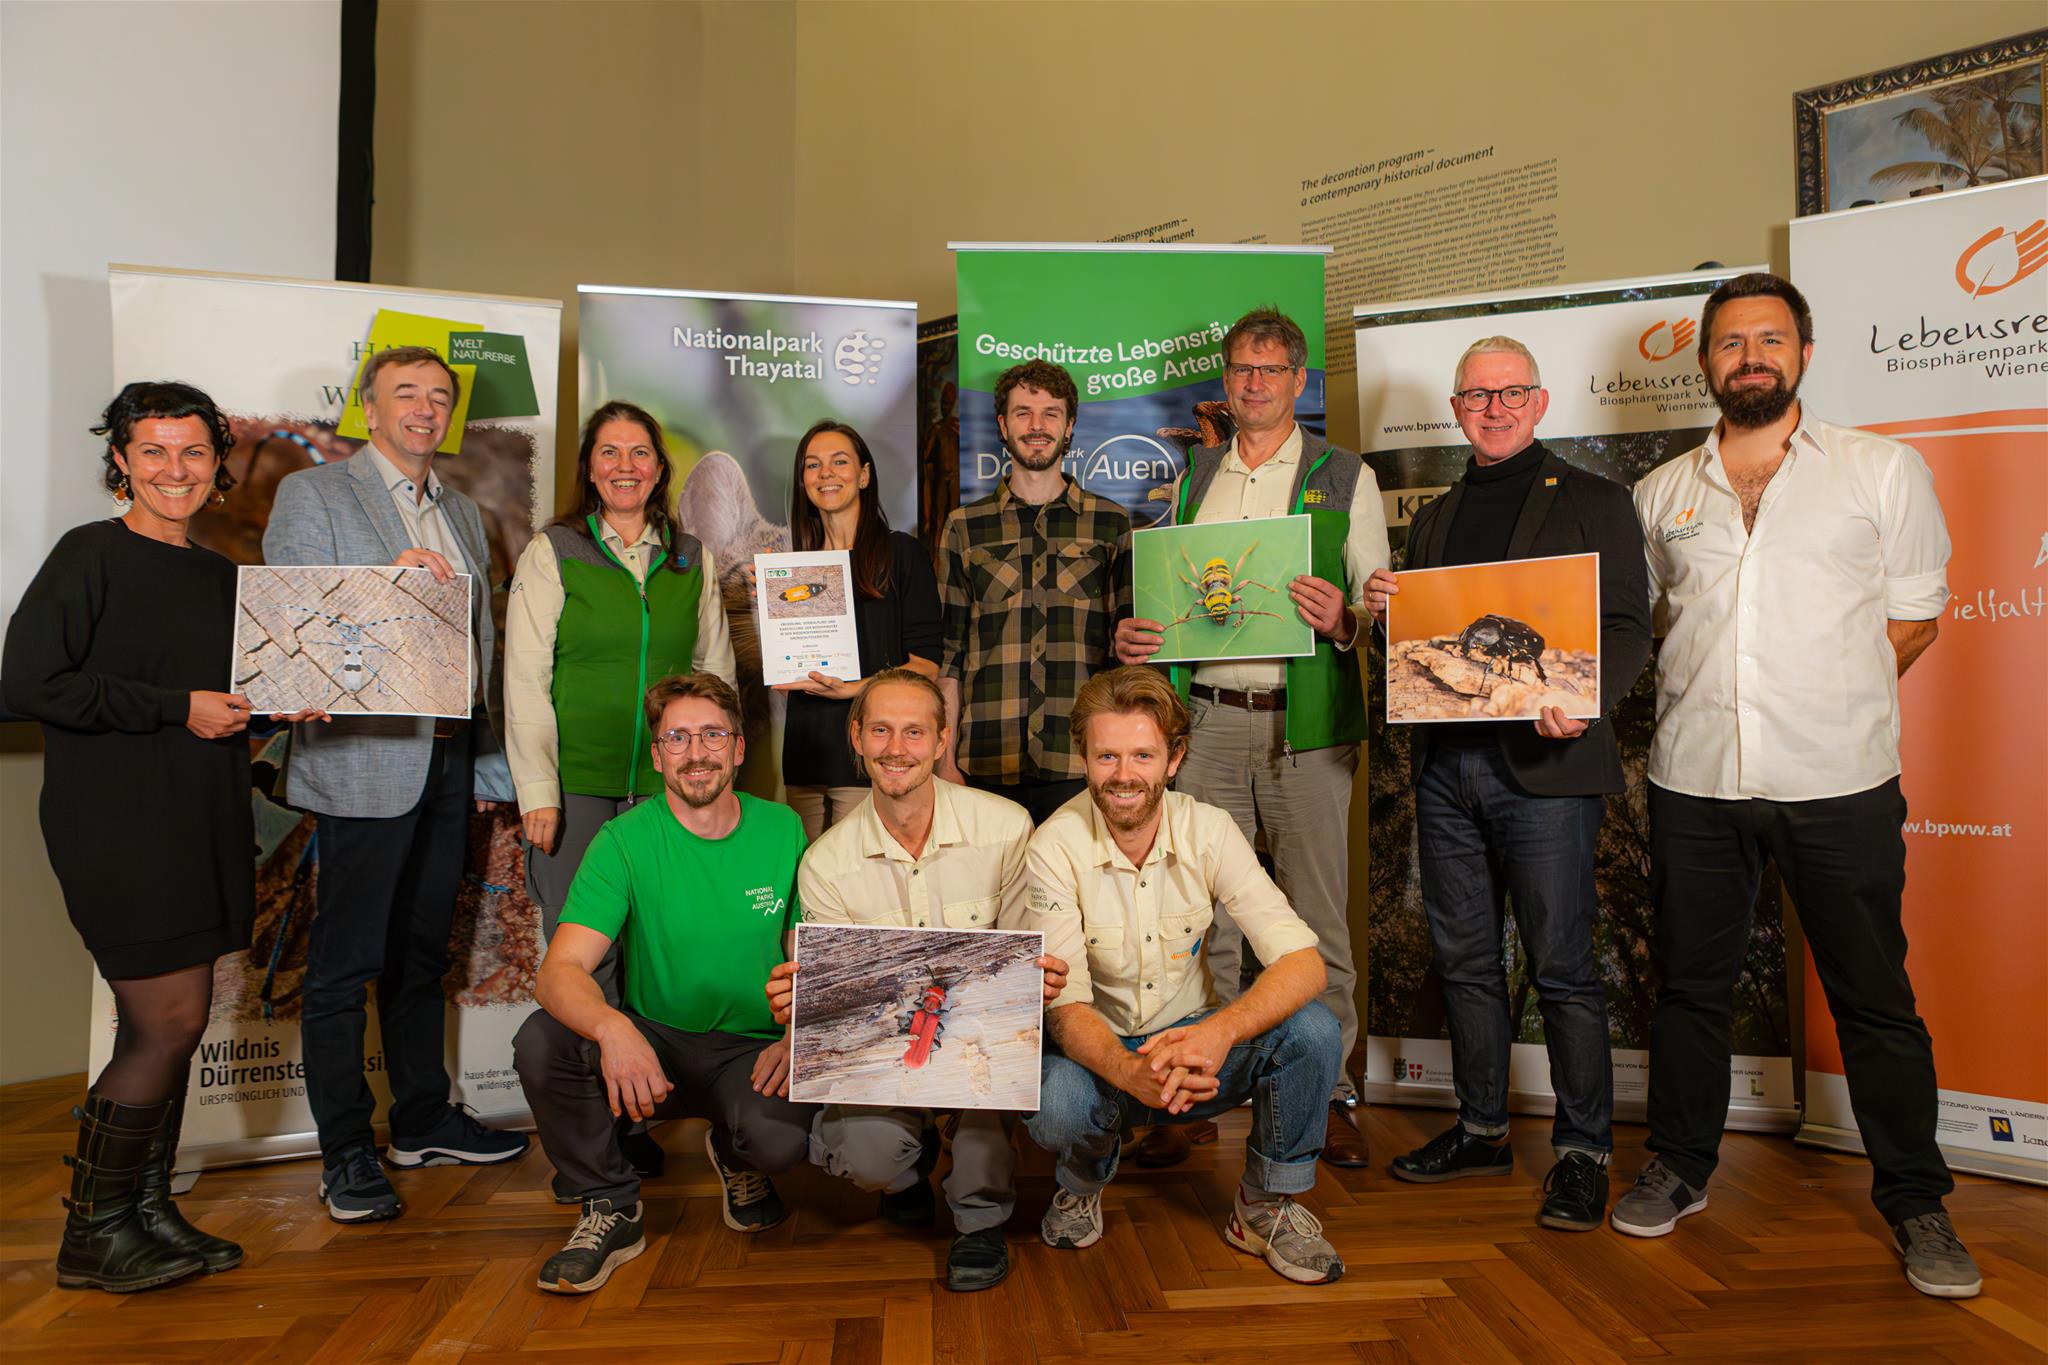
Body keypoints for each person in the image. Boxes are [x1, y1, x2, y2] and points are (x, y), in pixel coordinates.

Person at [1622, 273, 1977, 1298]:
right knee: (1688, 989)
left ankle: (1915, 1201)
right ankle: (1680, 1166)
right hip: (1694, 782)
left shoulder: (1879, 469)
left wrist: (1816, 695)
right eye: (1730, 342)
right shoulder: (1662, 494)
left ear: (1802, 353)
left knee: (1873, 998)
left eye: (1768, 339)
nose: (1749, 357)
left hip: (1837, 778)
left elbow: (1912, 620)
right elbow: (1649, 627)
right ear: (1704, 363)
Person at [3, 382, 321, 1291]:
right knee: (168, 1020)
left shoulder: (222, 576)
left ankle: (145, 1212)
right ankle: (92, 1231)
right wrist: (176, 707)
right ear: (121, 461)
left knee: (175, 1030)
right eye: (153, 452)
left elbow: (221, 709)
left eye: (191, 452)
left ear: (217, 461)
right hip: (116, 820)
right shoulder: (87, 556)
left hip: (202, 818)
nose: (173, 470)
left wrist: (276, 708)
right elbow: (29, 682)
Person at [1362, 337, 1651, 1230]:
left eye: (1510, 391)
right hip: (1448, 770)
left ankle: (1582, 1150)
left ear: (1539, 399)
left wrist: (1584, 700)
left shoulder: (1596, 500)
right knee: (1467, 960)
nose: (1493, 407)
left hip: (1548, 767)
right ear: (1456, 409)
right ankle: (1483, 1128)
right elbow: (1425, 655)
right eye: (1476, 395)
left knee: (1563, 966)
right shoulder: (1436, 516)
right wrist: (1383, 614)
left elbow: (1631, 626)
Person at [1114, 307, 1390, 1169]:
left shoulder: (1347, 475)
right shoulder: (1196, 476)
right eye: (1240, 369)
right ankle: (1193, 1092)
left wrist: (1346, 619)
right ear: (1226, 383)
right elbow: (1180, 598)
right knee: (1203, 917)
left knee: (1314, 917)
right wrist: (1143, 636)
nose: (1254, 384)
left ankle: (1330, 1088)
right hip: (1211, 720)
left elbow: (1381, 615)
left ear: (1299, 383)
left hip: (1305, 728)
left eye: (1270, 370)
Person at [264, 345, 528, 1224]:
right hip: (360, 762)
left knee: (420, 956)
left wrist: (486, 761)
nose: (423, 407)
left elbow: (478, 650)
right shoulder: (315, 494)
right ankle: (347, 1151)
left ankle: (420, 1117)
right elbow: (299, 620)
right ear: (368, 411)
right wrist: (389, 585)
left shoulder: (460, 507)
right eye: (404, 393)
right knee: (345, 966)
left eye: (438, 396)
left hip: (447, 762)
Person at [1023, 666, 1347, 1285]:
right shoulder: (1052, 845)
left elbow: (1304, 963)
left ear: (1174, 759)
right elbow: (1065, 1010)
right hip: (1101, 1058)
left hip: (1197, 1052)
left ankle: (1263, 1208)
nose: (1123, 775)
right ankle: (1083, 1180)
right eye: (1107, 756)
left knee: (1313, 1028)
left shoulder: (1210, 830)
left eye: (1142, 754)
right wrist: (1128, 1071)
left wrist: (1218, 1034)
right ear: (1084, 759)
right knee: (1058, 1103)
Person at [762, 668, 1064, 1292]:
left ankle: (978, 1219)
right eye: (880, 730)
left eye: (914, 732)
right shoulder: (825, 861)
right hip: (882, 1043)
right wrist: (806, 1001)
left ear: (941, 739)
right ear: (856, 737)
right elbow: (844, 1002)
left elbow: (1018, 969)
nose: (896, 748)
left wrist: (1039, 982)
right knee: (865, 1156)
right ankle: (908, 1164)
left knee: (987, 1103)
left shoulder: (1006, 827)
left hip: (980, 1032)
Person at [514, 672, 812, 1295]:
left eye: (712, 735)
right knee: (543, 1041)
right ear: (656, 755)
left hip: (751, 1050)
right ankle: (611, 1205)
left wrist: (798, 1035)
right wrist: (612, 1026)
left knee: (780, 1143)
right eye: (677, 737)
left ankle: (737, 1156)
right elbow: (559, 972)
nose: (696, 753)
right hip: (656, 1046)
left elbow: (806, 956)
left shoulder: (783, 828)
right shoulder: (624, 839)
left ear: (737, 748)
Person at [506, 400, 735, 998]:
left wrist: (715, 775)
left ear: (660, 469)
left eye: (640, 453)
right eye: (609, 452)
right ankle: (589, 1084)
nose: (624, 465)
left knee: (663, 942)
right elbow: (524, 678)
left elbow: (716, 677)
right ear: (589, 468)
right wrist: (537, 790)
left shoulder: (691, 558)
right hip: (575, 785)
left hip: (672, 784)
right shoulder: (554, 550)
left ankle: (659, 1085)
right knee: (582, 955)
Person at [937, 359, 1129, 824]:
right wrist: (943, 759)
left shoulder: (1111, 523)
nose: (1037, 426)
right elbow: (950, 656)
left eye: (1051, 413)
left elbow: (1124, 660)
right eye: (1023, 413)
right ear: (1002, 425)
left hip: (1080, 760)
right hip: (984, 759)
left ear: (1069, 426)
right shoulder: (964, 527)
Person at [775, 421, 942, 838]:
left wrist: (854, 689)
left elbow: (927, 667)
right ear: (803, 482)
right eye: (813, 465)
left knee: (860, 880)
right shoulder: (795, 569)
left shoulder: (902, 554)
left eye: (839, 462)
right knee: (805, 877)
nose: (826, 473)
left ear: (864, 475)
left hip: (872, 753)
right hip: (805, 752)